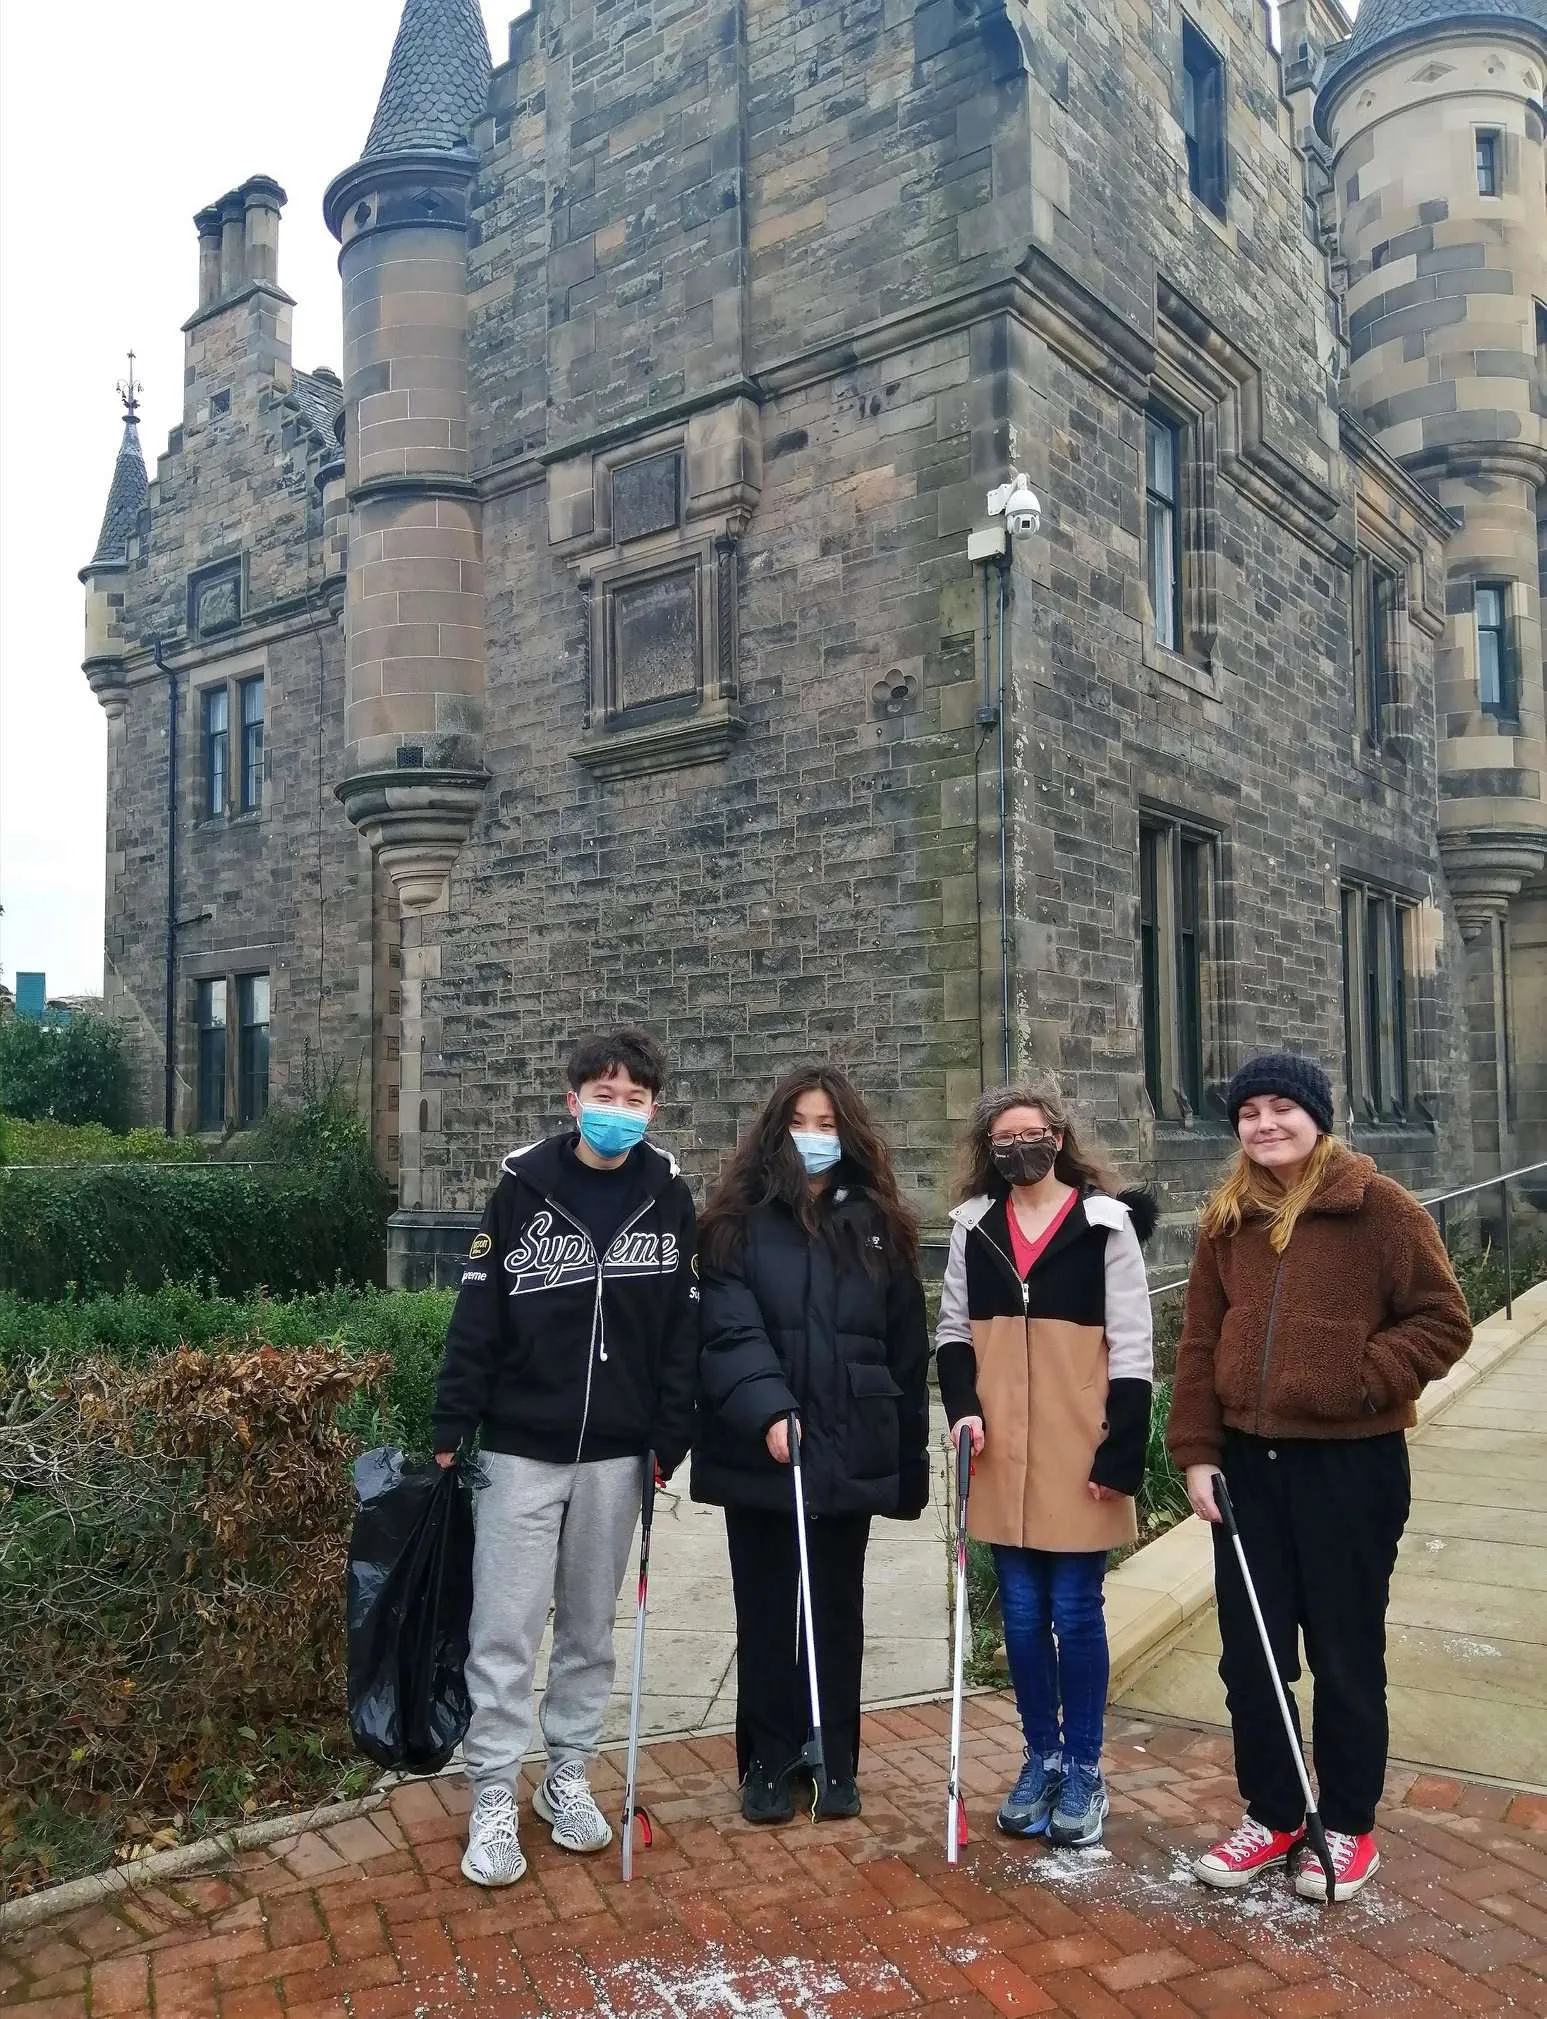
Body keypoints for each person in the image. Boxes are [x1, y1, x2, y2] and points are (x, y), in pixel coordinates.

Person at [1167, 1052, 1471, 1900]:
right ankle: (1272, 1814)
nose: (1264, 1124)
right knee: (1252, 1657)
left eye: (1281, 1108)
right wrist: (1195, 1451)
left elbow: (1443, 1320)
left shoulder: (1380, 1209)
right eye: (1248, 1111)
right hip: (1247, 1472)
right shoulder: (1226, 1218)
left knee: (1343, 1653)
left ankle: (1344, 1824)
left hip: (1349, 1467)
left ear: (1317, 1115)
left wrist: (1359, 1378)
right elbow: (1197, 1344)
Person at [431, 1028, 699, 1887]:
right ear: (571, 1097)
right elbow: (479, 1314)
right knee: (504, 1627)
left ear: (652, 1107)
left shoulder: (668, 1194)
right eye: (603, 1093)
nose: (618, 1110)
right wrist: (452, 1421)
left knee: (588, 1626)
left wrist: (669, 1434)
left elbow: (681, 1331)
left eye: (635, 1098)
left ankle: (567, 1773)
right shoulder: (522, 1185)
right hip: (520, 1447)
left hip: (618, 1456)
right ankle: (494, 1792)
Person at [691, 1067, 931, 1824]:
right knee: (764, 1610)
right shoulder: (733, 1223)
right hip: (760, 1447)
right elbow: (727, 1329)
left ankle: (834, 1755)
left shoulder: (880, 1227)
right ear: (774, 1130)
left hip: (848, 1442)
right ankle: (767, 1756)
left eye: (828, 1123)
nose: (814, 1137)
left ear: (849, 1133)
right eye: (801, 1120)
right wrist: (768, 1409)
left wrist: (903, 1462)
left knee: (835, 1606)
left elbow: (905, 1348)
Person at [936, 1082, 1155, 1850]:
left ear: (1058, 1138)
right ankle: (1041, 1756)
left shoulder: (1105, 1225)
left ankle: (1084, 1766)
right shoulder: (973, 1226)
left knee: (1075, 1609)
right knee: (1023, 1615)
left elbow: (1132, 1345)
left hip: (1078, 1443)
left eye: (1031, 1134)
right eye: (1003, 1138)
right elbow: (952, 1333)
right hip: (999, 1448)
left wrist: (1121, 1450)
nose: (1019, 1148)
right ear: (988, 1150)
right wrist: (961, 1406)